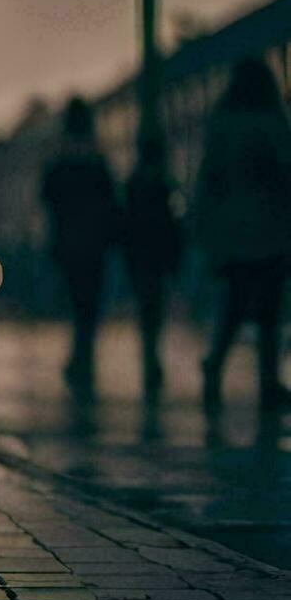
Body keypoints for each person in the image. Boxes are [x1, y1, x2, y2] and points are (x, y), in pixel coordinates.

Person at [195, 57, 291, 414]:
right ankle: (268, 381)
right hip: (270, 229)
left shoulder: (221, 125)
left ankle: (215, 364)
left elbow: (209, 180)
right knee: (269, 308)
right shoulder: (273, 123)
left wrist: (204, 228)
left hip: (233, 230)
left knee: (234, 304)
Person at [40, 97, 120, 396]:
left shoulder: (60, 158)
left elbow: (47, 197)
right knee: (90, 302)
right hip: (94, 242)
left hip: (69, 241)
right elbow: (111, 201)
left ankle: (79, 355)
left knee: (76, 300)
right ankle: (83, 355)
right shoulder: (96, 157)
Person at [122, 135, 183, 403]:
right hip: (155, 257)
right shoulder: (162, 185)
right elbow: (172, 224)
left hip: (142, 257)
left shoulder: (134, 185)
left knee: (148, 307)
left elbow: (126, 224)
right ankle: (152, 359)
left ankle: (151, 358)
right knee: (153, 307)